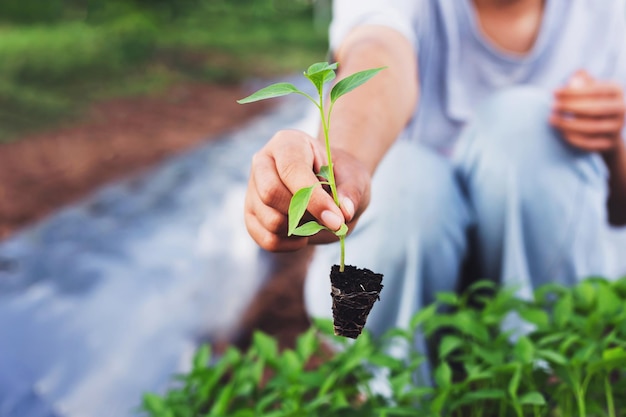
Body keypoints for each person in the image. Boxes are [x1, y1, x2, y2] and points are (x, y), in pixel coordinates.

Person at [244, 0, 626, 340]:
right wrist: (345, 161)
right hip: (411, 279)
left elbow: (620, 211)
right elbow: (378, 49)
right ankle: (391, 384)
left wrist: (611, 148)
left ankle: (547, 367)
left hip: (545, 284)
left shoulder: (608, 15)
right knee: (406, 180)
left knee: (526, 124)